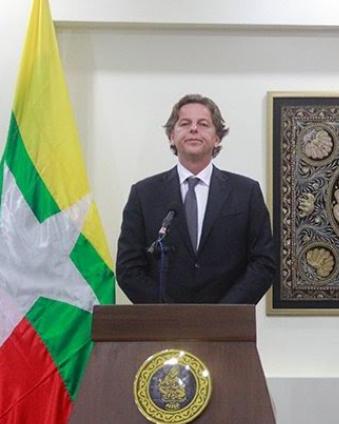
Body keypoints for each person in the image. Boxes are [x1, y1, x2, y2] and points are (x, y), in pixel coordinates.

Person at [116, 94, 276, 303]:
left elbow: (263, 263)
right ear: (172, 136)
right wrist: (168, 314)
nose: (193, 129)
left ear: (217, 137)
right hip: (163, 327)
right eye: (184, 123)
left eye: (203, 124)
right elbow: (128, 268)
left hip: (229, 326)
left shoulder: (246, 192)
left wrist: (224, 313)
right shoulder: (144, 194)